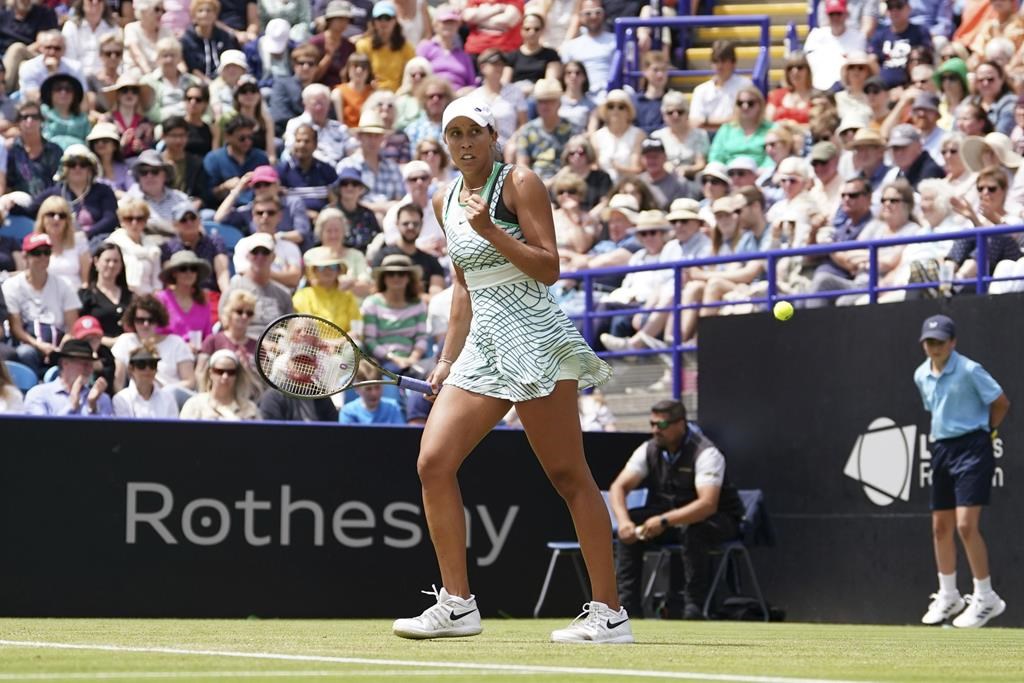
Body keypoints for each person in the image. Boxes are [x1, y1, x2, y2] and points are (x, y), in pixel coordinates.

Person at [391, 98, 631, 644]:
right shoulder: (443, 198)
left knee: (569, 476)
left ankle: (609, 613)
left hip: (534, 334)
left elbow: (550, 267)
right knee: (433, 462)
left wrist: (493, 231)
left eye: (473, 131)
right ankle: (457, 605)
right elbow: (461, 287)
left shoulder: (520, 182)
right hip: (481, 344)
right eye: (454, 134)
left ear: (493, 135)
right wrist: (446, 359)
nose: (464, 143)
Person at [914, 314, 1010, 628]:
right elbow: (935, 411)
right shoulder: (920, 375)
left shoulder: (970, 370)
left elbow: (1000, 402)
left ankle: (986, 597)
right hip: (942, 449)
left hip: (973, 447)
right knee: (940, 527)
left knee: (966, 526)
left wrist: (987, 432)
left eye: (940, 341)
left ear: (952, 342)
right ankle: (948, 595)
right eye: (929, 342)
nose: (935, 347)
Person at [609, 399, 744, 620]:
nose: (655, 430)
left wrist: (663, 521)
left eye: (661, 425)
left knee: (694, 530)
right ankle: (627, 608)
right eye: (652, 424)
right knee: (631, 527)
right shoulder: (648, 449)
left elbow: (707, 504)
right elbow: (618, 487)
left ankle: (694, 607)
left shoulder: (706, 453)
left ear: (680, 424)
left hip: (719, 521)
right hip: (671, 518)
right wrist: (624, 523)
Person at [1, 234, 80, 375]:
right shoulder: (11, 285)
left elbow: (72, 326)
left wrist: (60, 349)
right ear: (25, 256)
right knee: (26, 353)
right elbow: (16, 328)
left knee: (76, 352)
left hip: (58, 342)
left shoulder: (64, 285)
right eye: (37, 253)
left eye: (47, 252)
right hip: (28, 343)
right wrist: (40, 345)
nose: (43, 257)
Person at [219, 232, 294, 340]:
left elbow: (289, 329)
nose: (260, 256)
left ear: (273, 257)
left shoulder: (284, 294)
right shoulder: (233, 290)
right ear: (247, 256)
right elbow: (225, 325)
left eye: (265, 252)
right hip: (242, 346)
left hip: (276, 350)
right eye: (255, 252)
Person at [23, 338, 112, 416]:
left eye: (91, 365)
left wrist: (92, 407)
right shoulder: (39, 394)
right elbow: (40, 431)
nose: (90, 370)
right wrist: (71, 407)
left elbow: (105, 433)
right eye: (84, 364)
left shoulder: (101, 398)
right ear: (64, 363)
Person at [688, 40, 752, 133]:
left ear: (733, 63)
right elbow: (694, 122)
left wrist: (706, 121)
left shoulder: (745, 85)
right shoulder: (700, 90)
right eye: (715, 61)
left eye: (724, 61)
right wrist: (727, 121)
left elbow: (742, 119)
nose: (719, 65)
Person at [155, 250, 213, 351]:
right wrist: (182, 346)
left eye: (193, 269)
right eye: (183, 269)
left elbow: (208, 335)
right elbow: (156, 332)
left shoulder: (203, 301)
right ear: (174, 273)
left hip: (198, 356)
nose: (189, 273)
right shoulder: (161, 299)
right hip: (168, 355)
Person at [293, 247, 362, 332]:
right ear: (314, 270)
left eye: (333, 266)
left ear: (338, 270)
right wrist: (323, 344)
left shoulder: (348, 296)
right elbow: (303, 331)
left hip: (345, 344)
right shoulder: (302, 296)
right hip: (311, 344)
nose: (328, 270)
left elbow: (357, 329)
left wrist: (340, 342)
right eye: (322, 267)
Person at [180, 348, 260, 420]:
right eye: (219, 371)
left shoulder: (250, 408)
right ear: (210, 373)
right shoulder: (194, 404)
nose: (225, 376)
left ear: (236, 375)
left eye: (231, 372)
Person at [79, 242, 132, 347]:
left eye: (116, 261)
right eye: (107, 260)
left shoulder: (131, 296)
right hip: (97, 350)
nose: (112, 265)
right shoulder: (86, 295)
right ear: (96, 262)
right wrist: (111, 342)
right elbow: (80, 329)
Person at [112, 345, 181, 418]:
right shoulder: (121, 399)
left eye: (152, 364)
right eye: (141, 365)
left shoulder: (168, 398)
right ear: (131, 369)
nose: (147, 369)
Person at [338, 364, 405, 424]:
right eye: (368, 389)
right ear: (357, 389)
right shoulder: (348, 412)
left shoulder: (393, 407)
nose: (374, 393)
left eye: (377, 387)